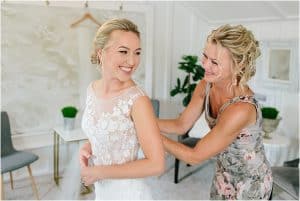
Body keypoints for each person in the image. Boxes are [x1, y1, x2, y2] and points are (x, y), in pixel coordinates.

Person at [158, 24, 273, 200]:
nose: (205, 65)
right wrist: (141, 120)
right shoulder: (206, 85)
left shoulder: (242, 109)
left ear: (238, 65)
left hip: (251, 184)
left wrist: (146, 132)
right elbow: (181, 125)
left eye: (214, 62)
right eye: (205, 57)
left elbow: (195, 156)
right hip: (223, 173)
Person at [79, 18, 165, 200]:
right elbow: (104, 131)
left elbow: (157, 164)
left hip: (128, 194)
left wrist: (100, 172)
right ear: (101, 53)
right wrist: (89, 145)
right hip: (103, 192)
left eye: (137, 52)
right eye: (123, 51)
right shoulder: (92, 89)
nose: (132, 61)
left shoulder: (137, 100)